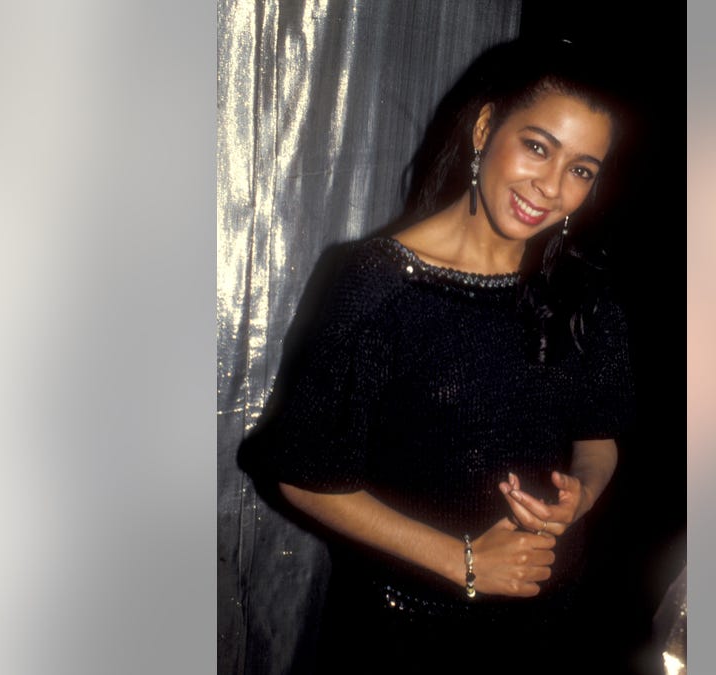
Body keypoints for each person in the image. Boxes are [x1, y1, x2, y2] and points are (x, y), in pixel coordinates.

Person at [253, 37, 636, 673]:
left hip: (550, 625)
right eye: (538, 147)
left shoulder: (583, 291)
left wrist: (582, 496)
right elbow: (298, 470)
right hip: (408, 633)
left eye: (581, 170)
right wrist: (464, 561)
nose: (550, 186)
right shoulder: (378, 283)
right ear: (486, 126)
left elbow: (600, 439)